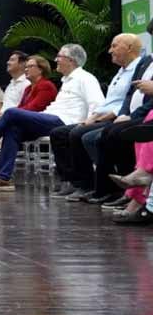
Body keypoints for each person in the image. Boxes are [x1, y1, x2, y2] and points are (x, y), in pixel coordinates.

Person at [0, 43, 104, 192]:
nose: (56, 59)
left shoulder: (85, 78)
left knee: (11, 113)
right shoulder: (67, 81)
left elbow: (97, 103)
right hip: (50, 117)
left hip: (65, 121)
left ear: (71, 60)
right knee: (12, 129)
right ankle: (3, 178)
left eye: (59, 56)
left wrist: (87, 123)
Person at [49, 34, 148, 203]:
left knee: (82, 134)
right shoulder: (120, 72)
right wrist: (94, 117)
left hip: (118, 117)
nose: (110, 50)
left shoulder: (138, 68)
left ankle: (103, 187)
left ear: (130, 48)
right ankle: (81, 183)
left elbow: (126, 100)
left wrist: (115, 116)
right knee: (61, 133)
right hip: (107, 116)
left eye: (114, 46)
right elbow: (120, 100)